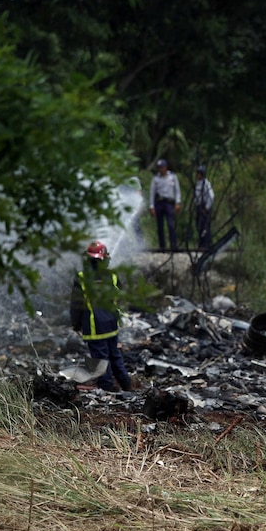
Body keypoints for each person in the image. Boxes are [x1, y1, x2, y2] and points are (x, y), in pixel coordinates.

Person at [69, 241, 133, 392]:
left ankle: (105, 388)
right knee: (115, 355)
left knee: (100, 359)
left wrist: (76, 324)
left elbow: (76, 305)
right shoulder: (112, 276)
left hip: (94, 326)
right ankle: (126, 384)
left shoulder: (81, 278)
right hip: (111, 324)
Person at [148, 158, 182, 251]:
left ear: (166, 167)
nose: (161, 169)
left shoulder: (172, 177)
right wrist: (151, 206)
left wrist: (178, 202)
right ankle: (162, 246)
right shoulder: (155, 179)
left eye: (162, 167)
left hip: (169, 202)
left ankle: (173, 245)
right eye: (159, 168)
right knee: (160, 226)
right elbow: (152, 193)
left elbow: (177, 191)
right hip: (159, 202)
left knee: (171, 224)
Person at [194, 165, 215, 249]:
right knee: (199, 226)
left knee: (205, 226)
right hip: (199, 206)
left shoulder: (206, 184)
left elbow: (211, 196)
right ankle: (201, 244)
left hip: (204, 207)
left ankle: (207, 244)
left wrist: (206, 208)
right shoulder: (198, 184)